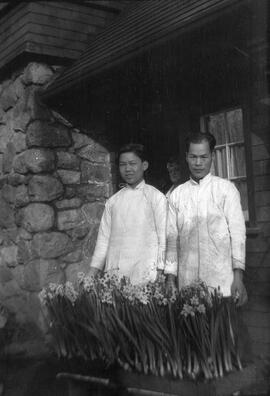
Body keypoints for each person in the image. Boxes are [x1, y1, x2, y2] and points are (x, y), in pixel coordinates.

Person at [165, 132, 247, 306]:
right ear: (186, 157)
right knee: (192, 332)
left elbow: (238, 235)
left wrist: (238, 277)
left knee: (223, 332)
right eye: (193, 157)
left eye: (203, 157)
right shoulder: (177, 195)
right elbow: (172, 239)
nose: (198, 163)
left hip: (221, 284)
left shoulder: (226, 190)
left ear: (212, 157)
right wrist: (171, 280)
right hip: (188, 285)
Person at [89, 143, 167, 284]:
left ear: (144, 165)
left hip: (145, 275)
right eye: (123, 164)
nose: (128, 169)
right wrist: (92, 273)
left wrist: (161, 273)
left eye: (132, 164)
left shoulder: (156, 197)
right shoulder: (113, 202)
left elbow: (163, 240)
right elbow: (103, 240)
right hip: (115, 275)